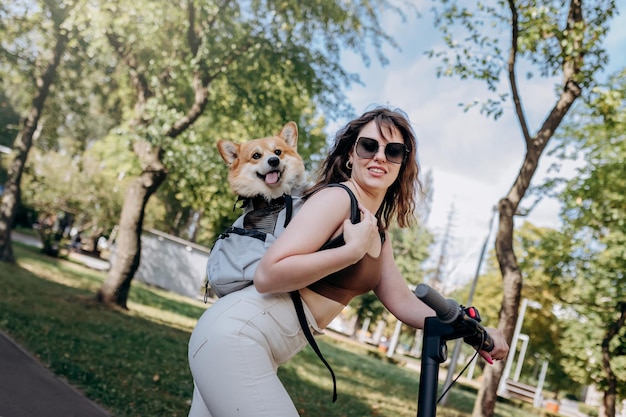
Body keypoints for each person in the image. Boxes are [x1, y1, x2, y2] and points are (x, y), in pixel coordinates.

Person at [187, 106, 509, 417]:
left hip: (248, 344)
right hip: (236, 336)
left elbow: (405, 304)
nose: (380, 156)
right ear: (351, 155)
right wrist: (349, 252)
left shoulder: (377, 233)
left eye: (393, 151)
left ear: (401, 165)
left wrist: (474, 331)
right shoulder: (337, 198)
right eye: (369, 146)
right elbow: (268, 274)